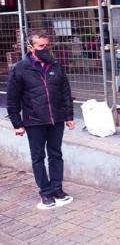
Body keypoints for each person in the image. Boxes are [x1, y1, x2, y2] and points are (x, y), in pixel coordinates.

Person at [6, 30, 76, 209]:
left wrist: (68, 116)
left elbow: (65, 92)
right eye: (41, 46)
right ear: (30, 47)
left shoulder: (55, 65)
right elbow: (12, 99)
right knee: (38, 157)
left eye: (47, 45)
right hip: (34, 120)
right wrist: (17, 124)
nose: (45, 49)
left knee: (56, 154)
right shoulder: (20, 69)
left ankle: (57, 189)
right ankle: (45, 193)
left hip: (56, 119)